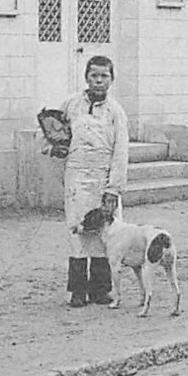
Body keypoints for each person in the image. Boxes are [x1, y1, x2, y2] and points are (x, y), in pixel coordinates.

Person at [59, 55, 130, 308]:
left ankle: (100, 289)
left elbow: (121, 152)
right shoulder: (71, 104)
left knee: (104, 233)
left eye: (104, 76)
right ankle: (78, 291)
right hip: (77, 178)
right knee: (77, 231)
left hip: (103, 177)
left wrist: (113, 189)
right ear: (86, 77)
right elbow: (52, 132)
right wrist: (54, 144)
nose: (98, 81)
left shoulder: (116, 112)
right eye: (94, 75)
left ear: (112, 79)